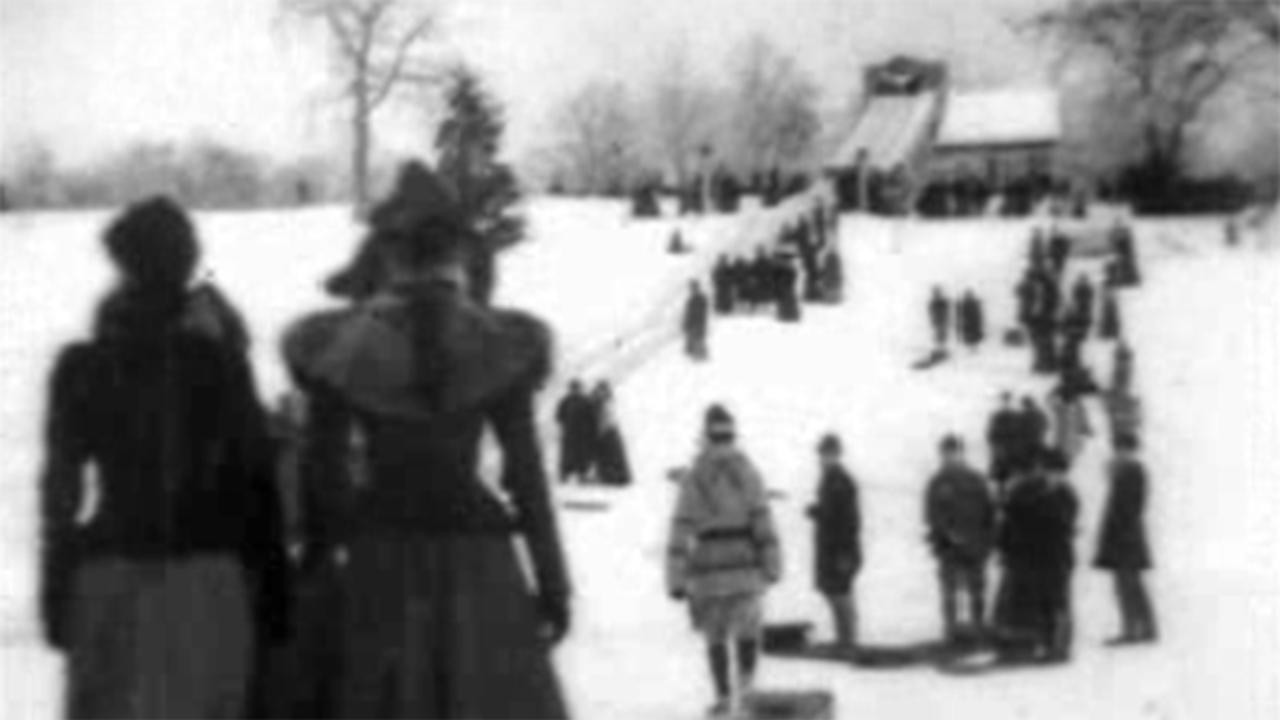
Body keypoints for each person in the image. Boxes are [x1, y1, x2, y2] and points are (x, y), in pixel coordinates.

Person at [283, 161, 571, 718]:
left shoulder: (344, 348)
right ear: (458, 255)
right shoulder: (498, 344)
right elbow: (528, 479)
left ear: (390, 256)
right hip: (478, 570)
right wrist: (553, 586)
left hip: (379, 563)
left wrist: (320, 572)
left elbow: (325, 479)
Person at [38, 197, 290, 718]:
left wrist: (56, 584)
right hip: (206, 579)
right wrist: (275, 593)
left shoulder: (81, 367)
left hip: (109, 573)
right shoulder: (218, 363)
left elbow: (59, 493)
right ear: (188, 261)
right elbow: (255, 483)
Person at [667, 405, 781, 717]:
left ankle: (721, 698)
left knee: (715, 636)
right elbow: (762, 521)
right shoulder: (748, 471)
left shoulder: (694, 476)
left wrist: (676, 579)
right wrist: (772, 564)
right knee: (747, 632)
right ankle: (745, 692)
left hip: (707, 571)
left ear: (706, 433)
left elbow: (681, 529)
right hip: (745, 566)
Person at [996, 449, 1079, 663]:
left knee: (1060, 603)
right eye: (1049, 472)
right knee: (1044, 604)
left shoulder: (1067, 496)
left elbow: (1060, 523)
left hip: (1058, 558)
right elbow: (1018, 516)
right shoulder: (1034, 492)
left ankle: (1061, 648)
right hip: (1040, 558)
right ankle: (1047, 644)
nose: (1052, 476)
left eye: (1057, 473)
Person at [925, 436, 996, 644]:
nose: (949, 457)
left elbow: (989, 513)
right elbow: (931, 515)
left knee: (977, 592)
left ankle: (978, 629)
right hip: (949, 549)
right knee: (949, 593)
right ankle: (951, 631)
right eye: (946, 453)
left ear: (961, 453)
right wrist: (946, 533)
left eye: (953, 452)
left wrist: (987, 542)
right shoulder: (937, 482)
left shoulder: (976, 480)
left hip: (975, 546)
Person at [1095, 433, 1158, 645]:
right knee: (1130, 584)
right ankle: (1145, 627)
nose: (1118, 453)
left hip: (1126, 537)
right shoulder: (1129, 471)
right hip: (1125, 537)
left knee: (1127, 585)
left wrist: (1113, 474)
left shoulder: (1132, 471)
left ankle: (1133, 628)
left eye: (1121, 449)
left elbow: (1129, 507)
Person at [806, 435, 861, 651]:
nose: (823, 458)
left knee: (840, 592)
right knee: (834, 591)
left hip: (840, 549)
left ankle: (848, 640)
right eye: (822, 454)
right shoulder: (829, 479)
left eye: (828, 454)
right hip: (831, 549)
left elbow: (847, 519)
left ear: (836, 455)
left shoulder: (839, 480)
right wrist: (818, 512)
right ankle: (844, 638)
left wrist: (846, 552)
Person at [591, 381, 633, 487]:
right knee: (607, 456)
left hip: (608, 431)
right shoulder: (597, 401)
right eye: (600, 390)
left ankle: (616, 477)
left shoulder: (606, 401)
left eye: (603, 390)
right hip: (605, 431)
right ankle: (609, 477)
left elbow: (606, 417)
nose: (601, 393)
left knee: (612, 456)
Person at [555, 380, 596, 484]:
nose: (575, 391)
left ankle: (582, 476)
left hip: (581, 435)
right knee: (568, 457)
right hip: (570, 434)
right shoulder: (565, 401)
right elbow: (559, 416)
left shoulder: (585, 401)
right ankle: (564, 475)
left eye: (576, 388)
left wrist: (590, 431)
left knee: (581, 456)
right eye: (573, 388)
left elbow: (591, 418)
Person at [986, 393, 1022, 489]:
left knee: (1010, 475)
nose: (1005, 403)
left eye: (1006, 400)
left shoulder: (1013, 415)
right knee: (1002, 476)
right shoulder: (998, 415)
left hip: (1010, 448)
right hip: (1003, 448)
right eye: (1004, 400)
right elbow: (991, 434)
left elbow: (991, 434)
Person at [683, 281, 711, 361]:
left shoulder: (701, 298)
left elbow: (701, 312)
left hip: (698, 322)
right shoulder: (691, 299)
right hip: (692, 323)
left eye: (693, 288)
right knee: (693, 339)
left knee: (698, 339)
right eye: (691, 288)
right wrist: (686, 323)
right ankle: (697, 355)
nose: (692, 290)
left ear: (697, 288)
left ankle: (701, 356)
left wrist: (697, 322)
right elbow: (688, 312)